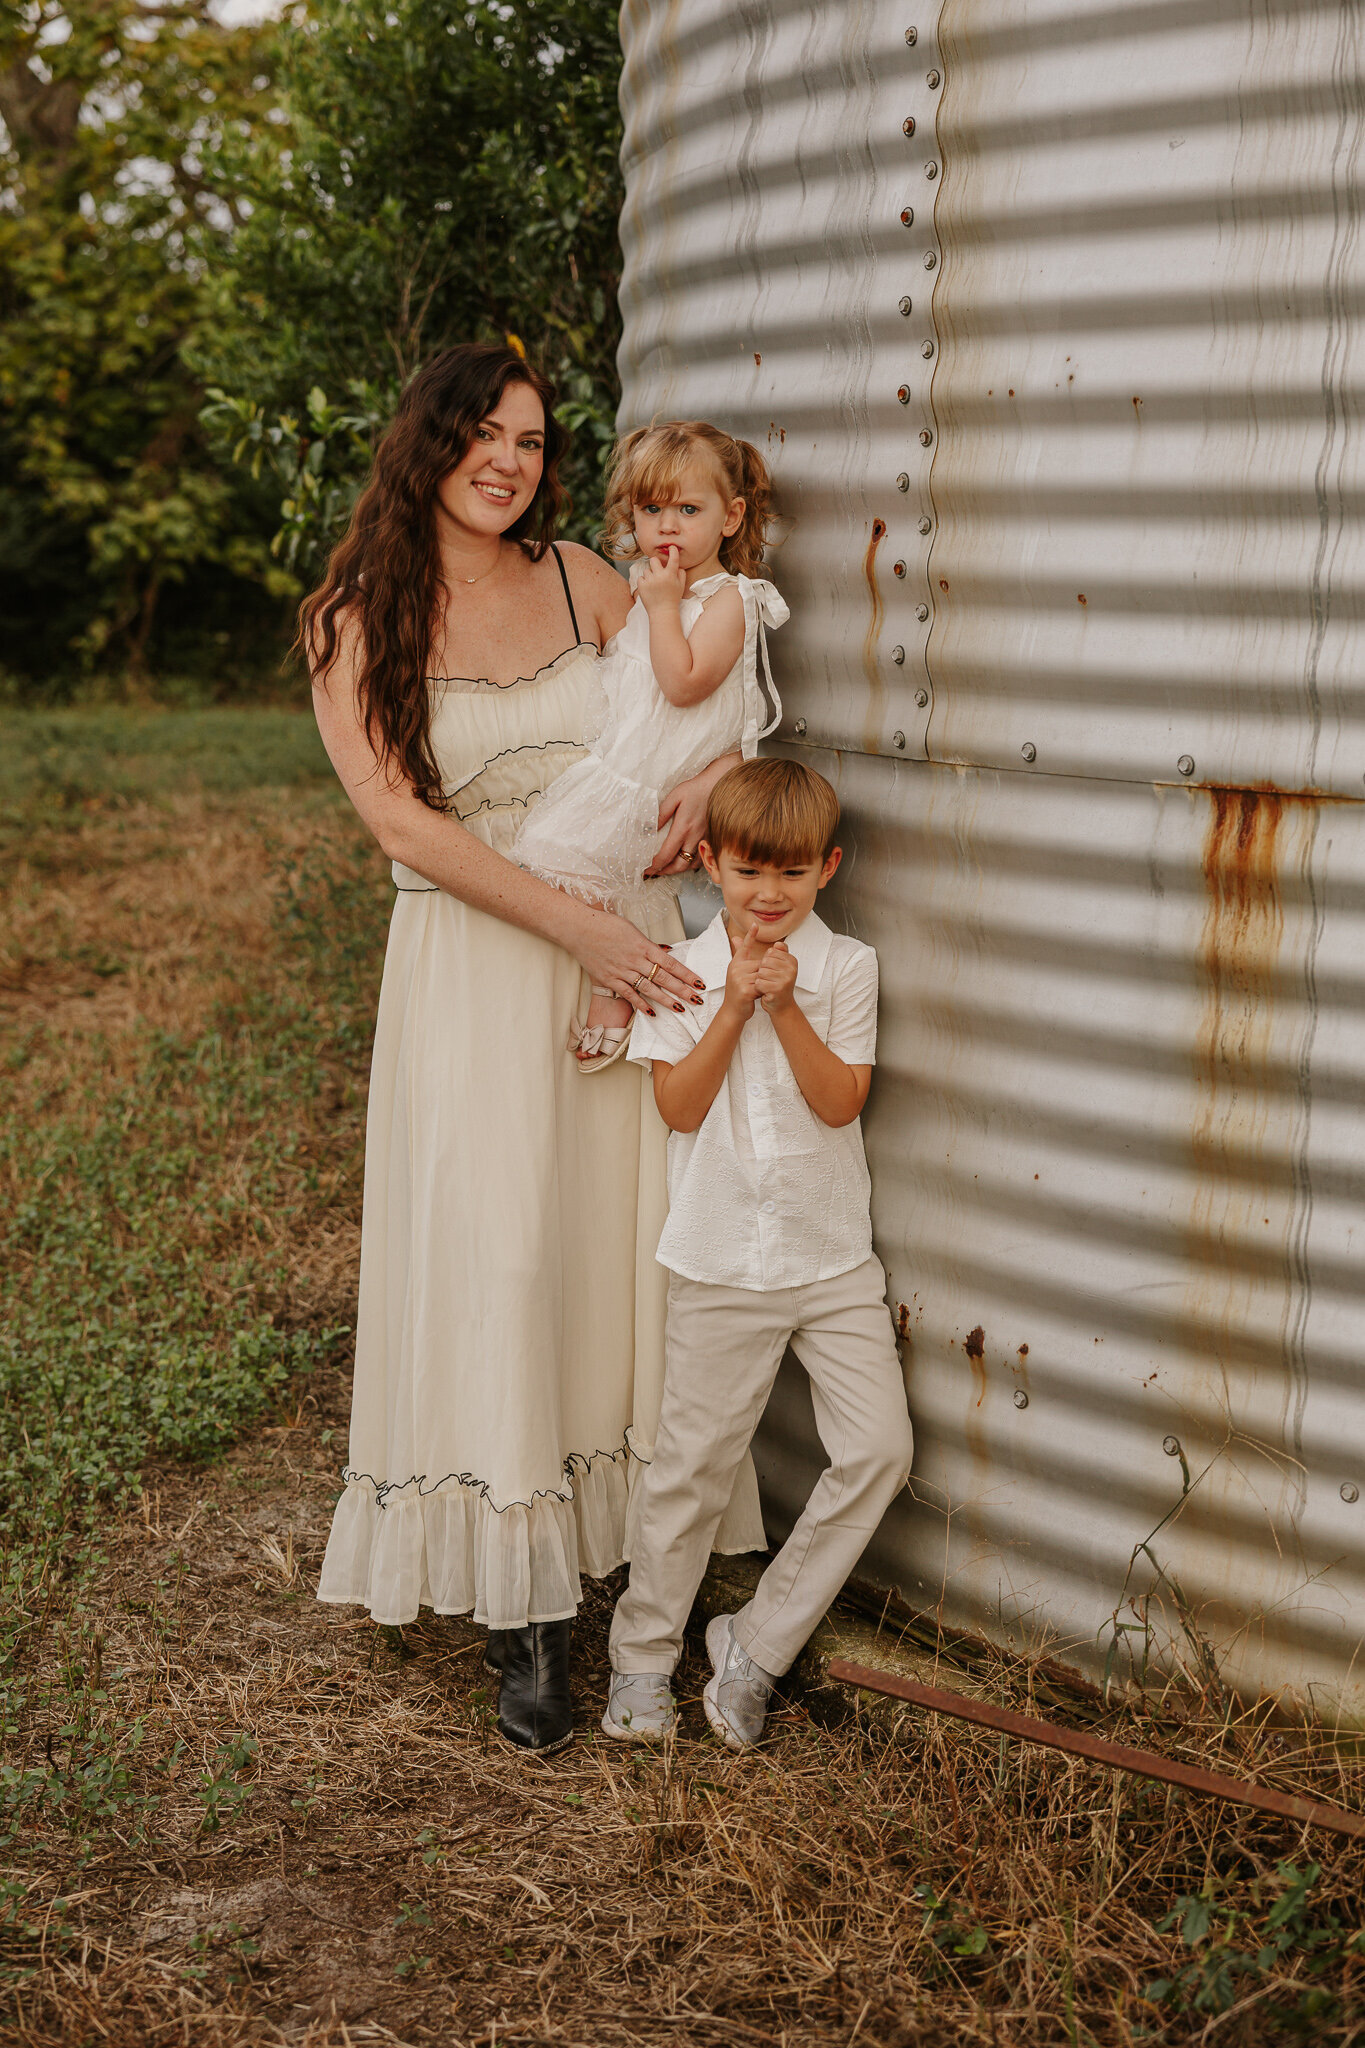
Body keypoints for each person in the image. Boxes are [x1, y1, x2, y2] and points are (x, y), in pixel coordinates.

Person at [307, 343, 764, 1754]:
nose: (508, 460)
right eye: (482, 435)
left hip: (617, 951)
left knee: (617, 1252)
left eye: (529, 438)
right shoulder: (351, 613)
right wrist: (581, 935)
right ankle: (522, 1612)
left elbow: (682, 704)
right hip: (485, 956)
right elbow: (404, 826)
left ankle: (646, 1573)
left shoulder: (585, 577)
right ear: (427, 445)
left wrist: (706, 784)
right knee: (502, 1252)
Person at [603, 757, 915, 1749]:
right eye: (747, 874)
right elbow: (678, 1105)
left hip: (831, 1263)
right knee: (691, 1465)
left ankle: (757, 1643)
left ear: (826, 868)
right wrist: (733, 1000)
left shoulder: (848, 967)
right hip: (721, 1260)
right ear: (712, 862)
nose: (768, 896)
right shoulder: (680, 970)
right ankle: (642, 1660)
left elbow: (840, 1101)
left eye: (789, 875)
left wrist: (785, 1003)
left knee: (879, 1449)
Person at [512, 421, 787, 1070]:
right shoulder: (650, 585)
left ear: (730, 517)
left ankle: (616, 985)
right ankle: (610, 976)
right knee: (590, 878)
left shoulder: (731, 599)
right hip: (626, 759)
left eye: (688, 510)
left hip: (664, 777)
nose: (666, 528)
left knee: (575, 859)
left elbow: (685, 684)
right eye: (651, 510)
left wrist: (661, 608)